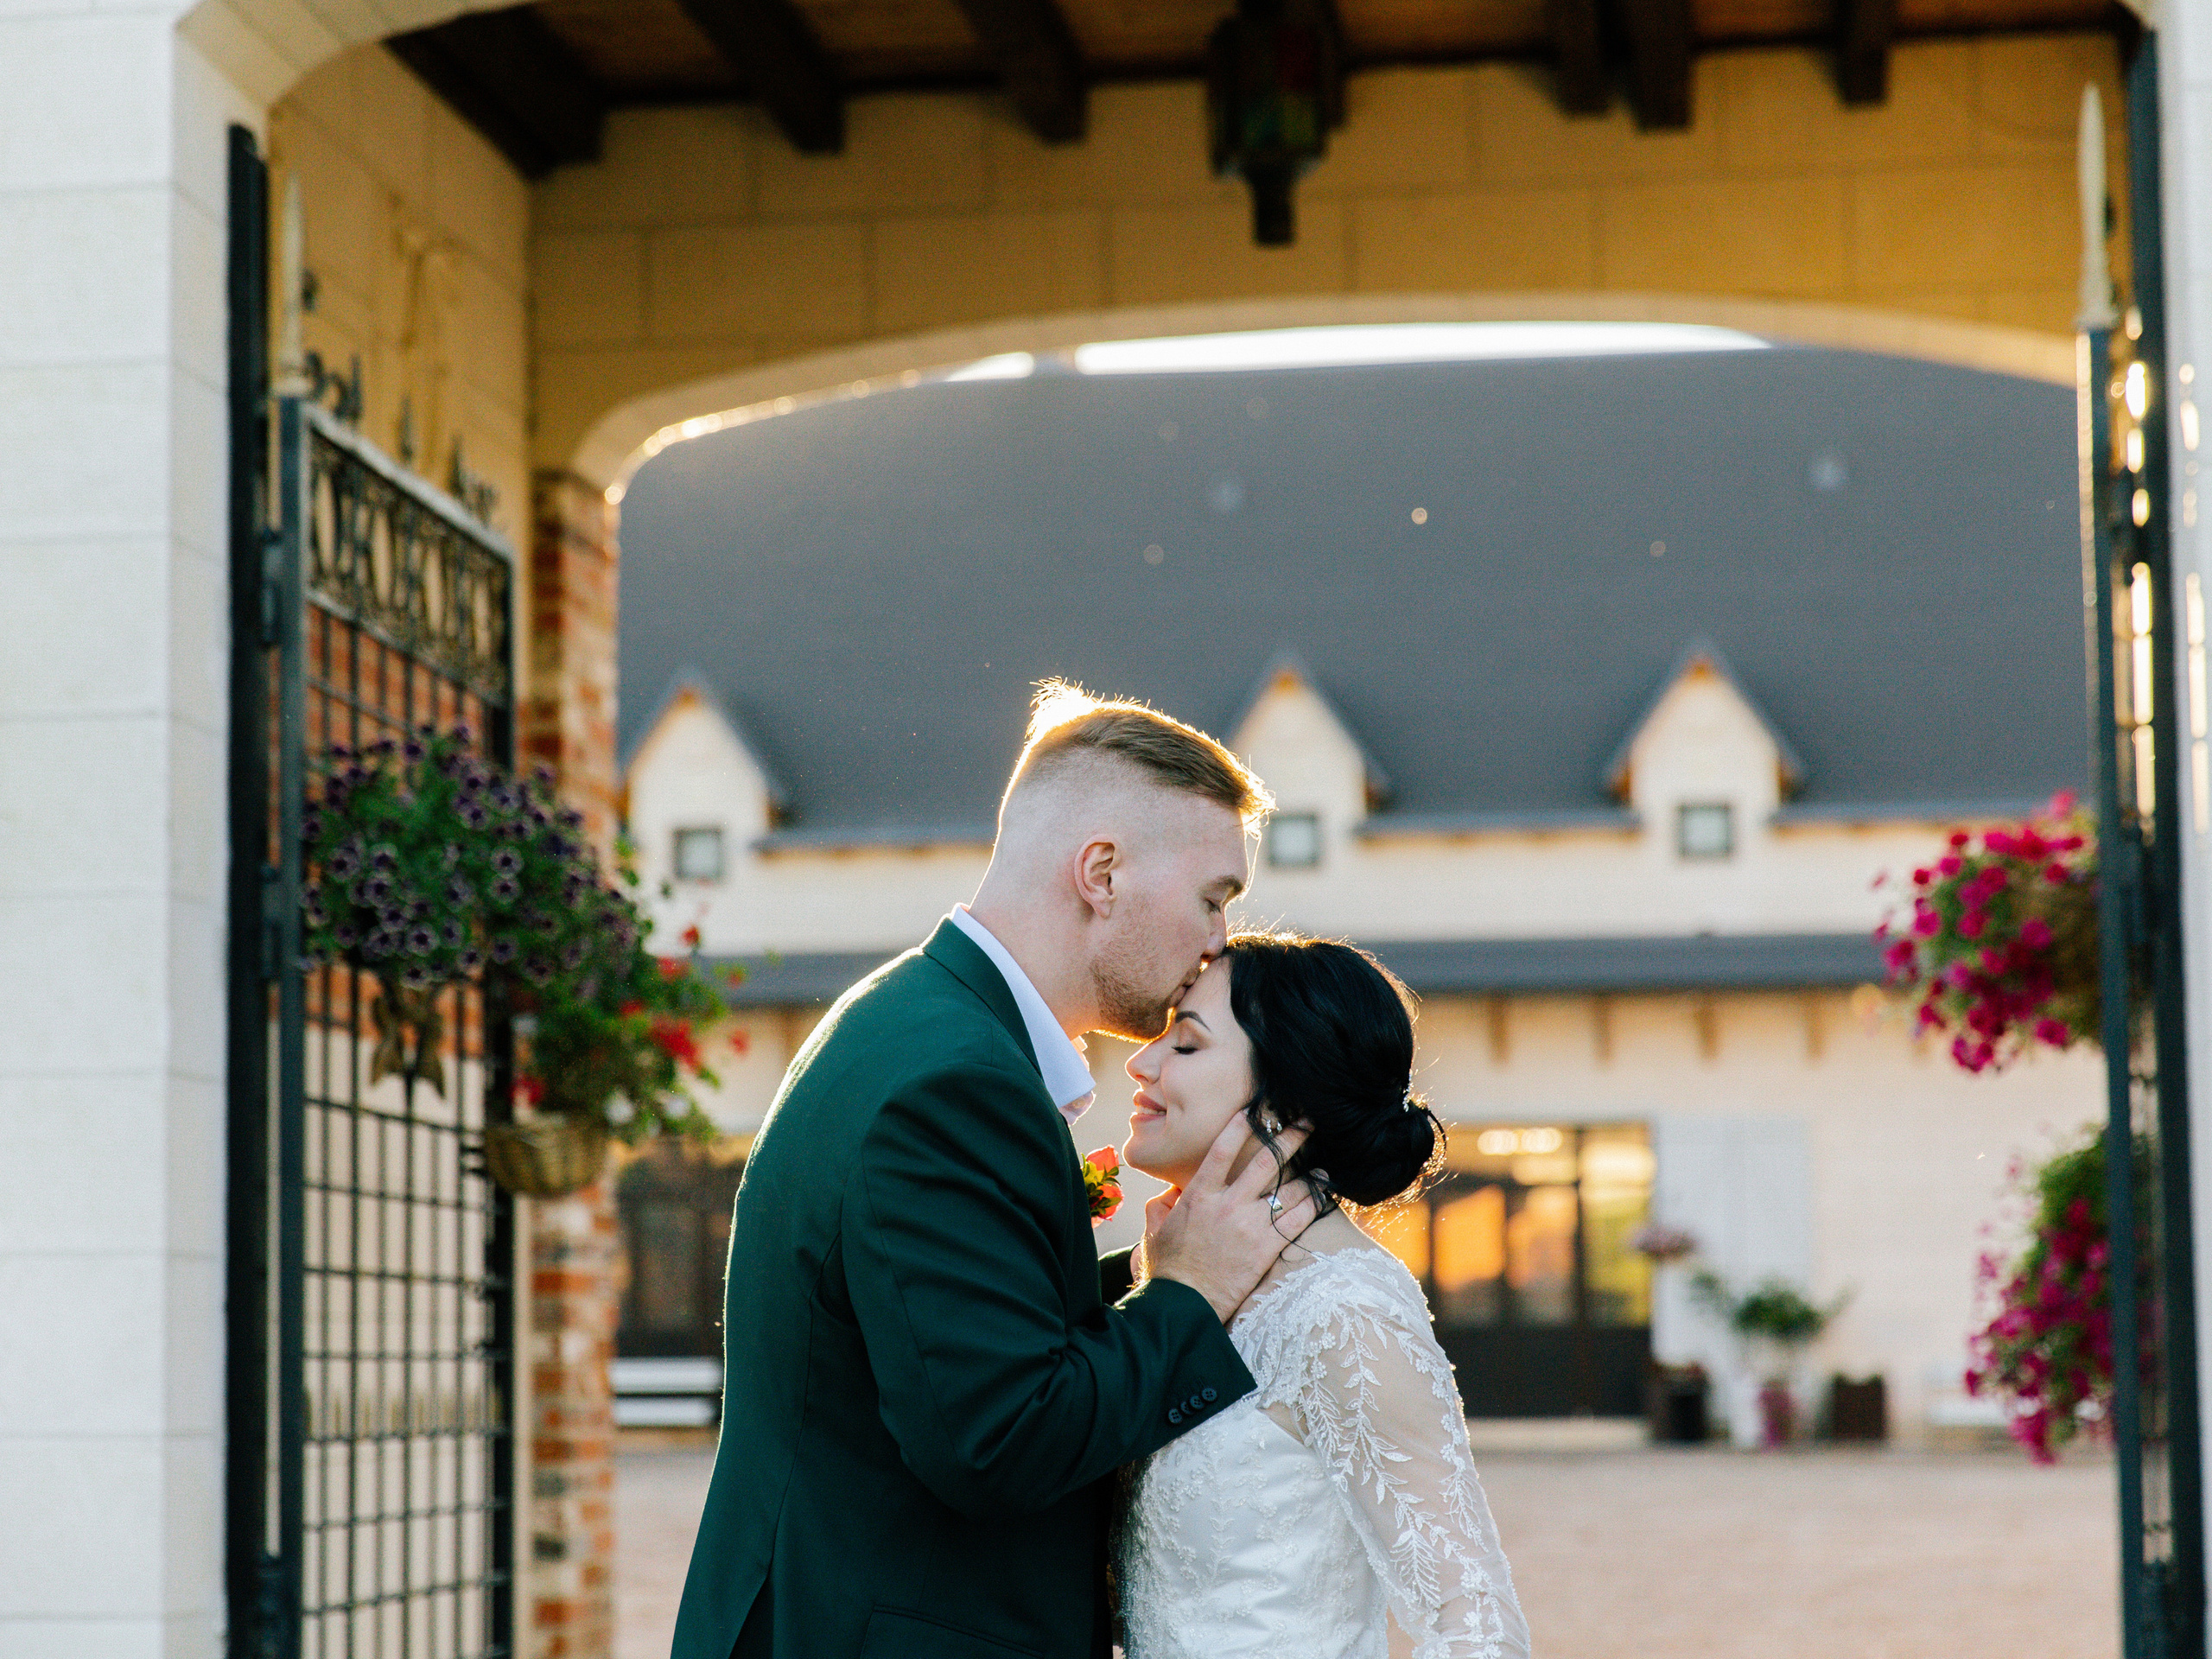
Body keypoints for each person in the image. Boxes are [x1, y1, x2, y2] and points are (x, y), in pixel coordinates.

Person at [671, 683, 1323, 1659]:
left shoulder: (911, 1018)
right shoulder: (957, 1081)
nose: (1217, 942)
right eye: (1211, 896)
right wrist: (1188, 1295)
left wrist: (1144, 1275)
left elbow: (953, 1337)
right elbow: (999, 1439)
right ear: (1100, 872)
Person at [1116, 932, 1531, 1659]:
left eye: (1184, 1045)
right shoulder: (1177, 1284)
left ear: (1282, 1101)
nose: (1140, 1062)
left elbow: (1473, 1619)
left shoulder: (1342, 1308)